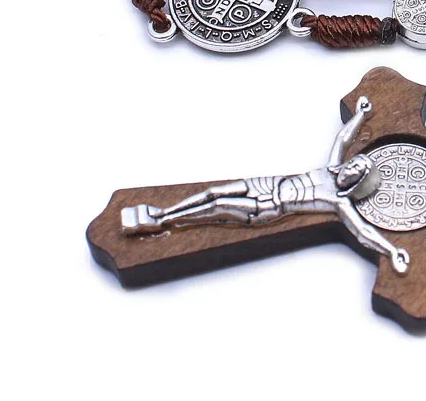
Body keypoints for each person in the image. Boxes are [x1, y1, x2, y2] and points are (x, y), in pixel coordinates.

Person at [121, 97, 410, 274]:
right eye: (355, 163)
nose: (351, 167)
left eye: (357, 171)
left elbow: (363, 232)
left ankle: (163, 221)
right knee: (213, 192)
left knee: (219, 206)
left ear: (358, 183)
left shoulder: (339, 201)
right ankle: (161, 211)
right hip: (266, 184)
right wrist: (360, 115)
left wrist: (390, 250)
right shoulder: (331, 167)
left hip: (269, 205)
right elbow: (343, 139)